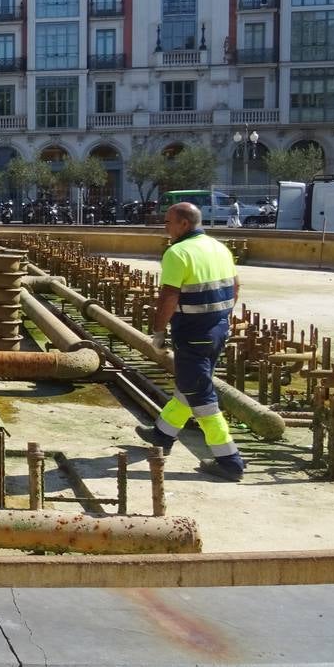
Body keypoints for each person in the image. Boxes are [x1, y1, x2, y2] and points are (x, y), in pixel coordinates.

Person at [136, 202, 245, 482]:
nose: (165, 227)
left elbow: (169, 296)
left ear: (184, 224)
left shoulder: (177, 252)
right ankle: (163, 434)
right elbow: (235, 287)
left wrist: (158, 332)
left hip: (193, 333)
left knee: (201, 397)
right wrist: (220, 316)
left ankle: (229, 460)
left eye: (168, 222)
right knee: (190, 383)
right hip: (218, 329)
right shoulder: (218, 247)